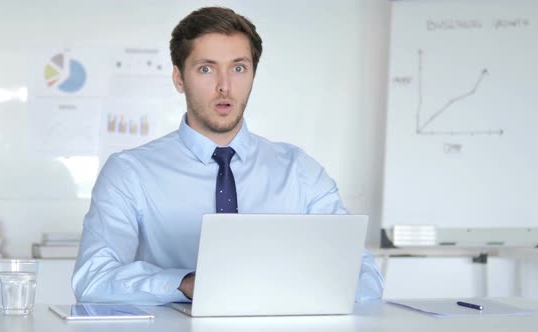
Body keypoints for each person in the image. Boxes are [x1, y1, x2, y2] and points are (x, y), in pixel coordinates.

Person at [72, 6, 383, 304]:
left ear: (252, 75)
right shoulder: (129, 172)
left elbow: (365, 276)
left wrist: (286, 284)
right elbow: (93, 279)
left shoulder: (299, 171)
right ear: (179, 78)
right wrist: (184, 283)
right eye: (206, 69)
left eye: (238, 68)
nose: (225, 86)